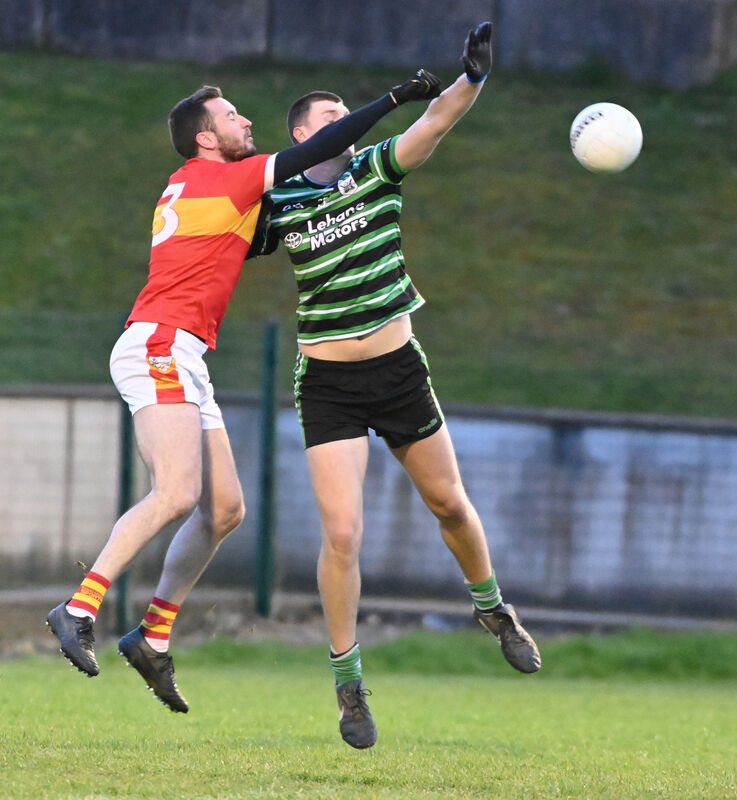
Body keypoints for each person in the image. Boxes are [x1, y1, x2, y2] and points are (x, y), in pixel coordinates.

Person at [46, 72, 441, 713]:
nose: (246, 123)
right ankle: (79, 607)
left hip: (182, 350)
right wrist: (396, 100)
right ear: (206, 138)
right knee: (176, 493)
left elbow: (266, 222)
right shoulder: (228, 175)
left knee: (224, 509)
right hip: (159, 344)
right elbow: (318, 149)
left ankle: (152, 636)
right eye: (232, 116)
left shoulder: (200, 185)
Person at [266, 22, 541, 749]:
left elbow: (436, 120)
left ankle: (492, 609)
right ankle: (348, 683)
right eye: (330, 120)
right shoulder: (278, 200)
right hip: (326, 382)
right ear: (301, 134)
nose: (346, 128)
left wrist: (471, 78)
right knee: (342, 532)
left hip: (396, 371)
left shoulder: (376, 171)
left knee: (448, 502)